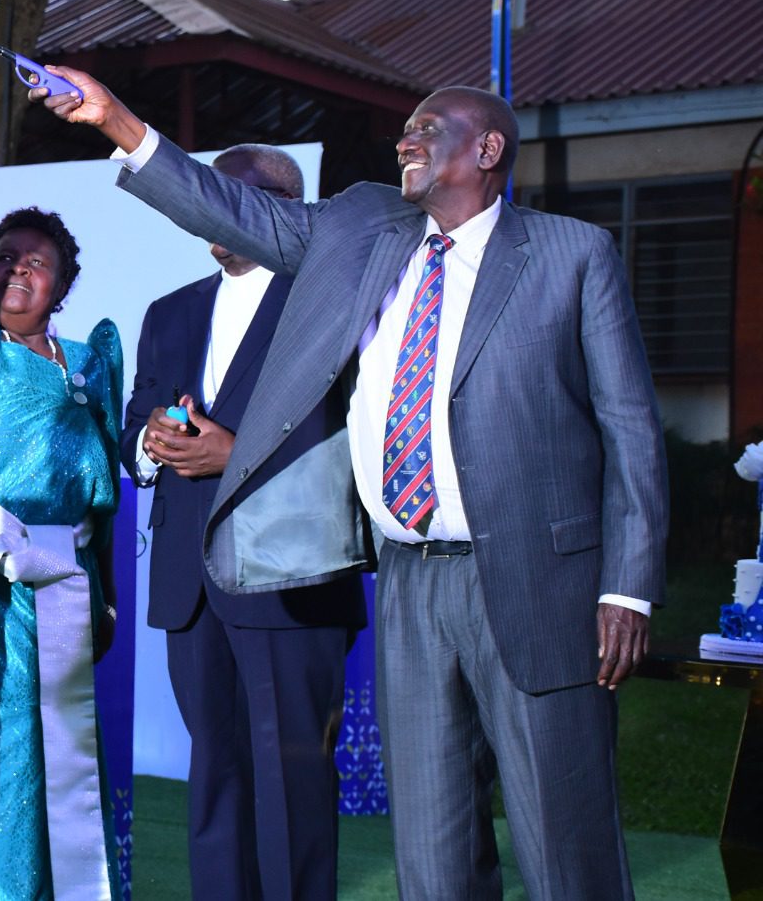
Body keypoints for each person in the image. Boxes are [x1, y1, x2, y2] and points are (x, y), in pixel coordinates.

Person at [38, 73, 666, 899]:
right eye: (405, 127)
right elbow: (236, 211)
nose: (406, 138)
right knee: (433, 847)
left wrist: (628, 589)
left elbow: (630, 430)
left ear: (487, 150)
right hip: (407, 579)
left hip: (534, 580)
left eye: (429, 127)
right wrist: (118, 121)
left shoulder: (571, 254)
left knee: (561, 841)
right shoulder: (363, 233)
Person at [123, 144, 365, 900]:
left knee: (291, 782)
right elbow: (135, 424)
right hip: (190, 587)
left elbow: (365, 431)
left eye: (233, 194)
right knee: (214, 780)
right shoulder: (171, 311)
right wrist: (151, 445)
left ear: (284, 207)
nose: (209, 208)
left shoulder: (331, 299)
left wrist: (236, 453)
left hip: (292, 576)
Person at [0, 178, 122, 900]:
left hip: (66, 590)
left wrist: (106, 595)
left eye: (36, 263)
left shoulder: (91, 363)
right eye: (5, 257)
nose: (18, 271)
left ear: (63, 285)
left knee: (58, 757)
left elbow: (103, 507)